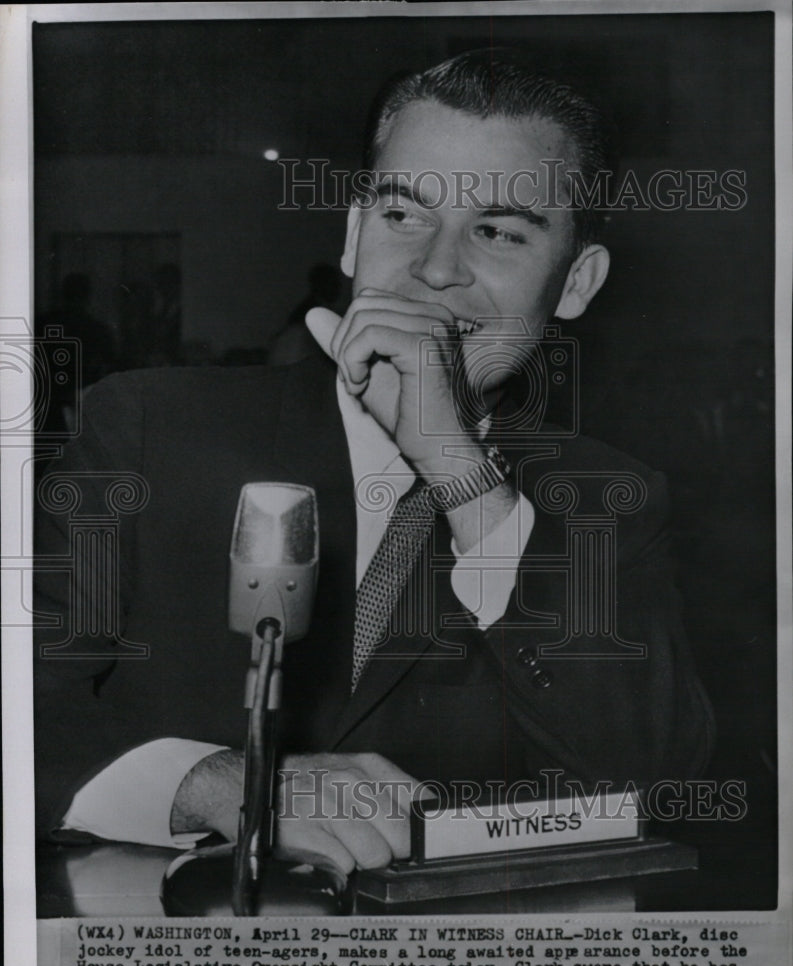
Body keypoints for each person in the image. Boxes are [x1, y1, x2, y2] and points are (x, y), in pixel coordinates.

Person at [34, 49, 714, 876]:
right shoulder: (148, 427)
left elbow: (644, 787)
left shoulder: (612, 501)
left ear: (575, 282)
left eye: (496, 231)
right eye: (403, 215)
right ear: (355, 236)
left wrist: (464, 477)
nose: (434, 269)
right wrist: (218, 783)